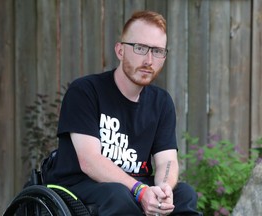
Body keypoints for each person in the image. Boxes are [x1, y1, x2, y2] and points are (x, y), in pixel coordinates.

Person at [44, 10, 202, 216]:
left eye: (157, 51)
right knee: (118, 196)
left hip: (135, 188)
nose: (149, 60)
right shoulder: (85, 91)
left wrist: (164, 188)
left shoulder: (161, 102)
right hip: (80, 187)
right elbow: (90, 161)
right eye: (140, 48)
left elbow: (167, 161)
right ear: (120, 50)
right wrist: (139, 190)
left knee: (185, 195)